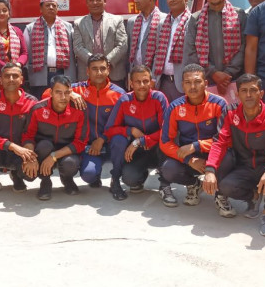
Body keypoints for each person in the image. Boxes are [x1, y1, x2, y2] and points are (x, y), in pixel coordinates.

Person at [202, 74, 265, 237]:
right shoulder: (230, 111)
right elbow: (219, 142)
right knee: (225, 187)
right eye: (244, 91)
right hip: (243, 166)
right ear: (238, 94)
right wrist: (210, 170)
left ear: (261, 93)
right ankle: (254, 196)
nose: (248, 95)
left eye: (253, 90)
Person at [158, 64, 230, 208]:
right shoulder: (175, 107)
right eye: (188, 82)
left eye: (197, 82)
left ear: (206, 83)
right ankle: (194, 185)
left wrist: (197, 145)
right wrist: (189, 160)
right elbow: (165, 142)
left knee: (229, 158)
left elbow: (226, 139)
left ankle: (221, 194)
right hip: (189, 155)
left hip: (214, 153)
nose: (192, 87)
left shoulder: (219, 104)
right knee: (168, 169)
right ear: (182, 85)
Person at [104, 65, 169, 200]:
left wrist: (141, 140)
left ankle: (165, 186)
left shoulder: (159, 98)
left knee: (166, 141)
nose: (142, 85)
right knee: (118, 141)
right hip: (135, 152)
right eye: (138, 82)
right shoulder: (124, 100)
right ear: (131, 83)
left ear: (151, 82)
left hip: (156, 149)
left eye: (145, 81)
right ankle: (116, 180)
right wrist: (130, 130)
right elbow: (109, 130)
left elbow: (166, 131)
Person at [21, 75, 88, 200]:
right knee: (43, 148)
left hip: (66, 150)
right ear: (51, 93)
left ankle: (67, 179)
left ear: (71, 93)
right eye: (58, 92)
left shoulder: (79, 110)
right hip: (43, 148)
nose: (63, 97)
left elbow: (80, 142)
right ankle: (45, 181)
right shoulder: (37, 109)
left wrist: (54, 156)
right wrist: (30, 158)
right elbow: (28, 136)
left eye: (67, 92)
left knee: (70, 164)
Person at [183, 0, 247, 104]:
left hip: (234, 80)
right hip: (207, 80)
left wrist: (227, 74)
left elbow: (244, 48)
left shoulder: (239, 15)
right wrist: (213, 73)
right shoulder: (196, 18)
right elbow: (191, 51)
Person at [0, 62, 41, 197]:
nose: (11, 79)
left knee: (31, 175)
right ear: (1, 80)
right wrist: (12, 146)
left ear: (22, 79)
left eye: (15, 76)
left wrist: (30, 155)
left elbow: (32, 133)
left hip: (22, 151)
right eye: (7, 76)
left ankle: (17, 176)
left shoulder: (32, 102)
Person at [65, 54, 125, 189]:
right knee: (88, 175)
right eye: (94, 69)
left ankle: (116, 177)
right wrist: (69, 93)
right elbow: (49, 93)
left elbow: (122, 124)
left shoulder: (119, 94)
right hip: (90, 146)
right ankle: (95, 174)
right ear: (87, 71)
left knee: (120, 140)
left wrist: (103, 139)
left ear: (108, 70)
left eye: (102, 68)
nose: (99, 72)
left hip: (111, 144)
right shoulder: (78, 89)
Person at [73, 0, 128, 88]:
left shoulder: (117, 20)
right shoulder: (79, 23)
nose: (95, 3)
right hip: (88, 75)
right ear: (87, 3)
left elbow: (122, 45)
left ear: (105, 1)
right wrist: (94, 64)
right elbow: (78, 47)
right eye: (91, 0)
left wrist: (106, 62)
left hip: (114, 73)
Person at [23, 0, 75, 97]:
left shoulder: (68, 27)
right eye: (47, 5)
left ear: (57, 9)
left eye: (54, 5)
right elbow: (25, 53)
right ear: (41, 9)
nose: (51, 7)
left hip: (62, 74)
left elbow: (74, 52)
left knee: (61, 102)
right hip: (39, 77)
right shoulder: (30, 28)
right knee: (41, 103)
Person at [153, 0, 192, 102]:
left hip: (183, 82)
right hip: (163, 81)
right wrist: (154, 77)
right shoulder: (162, 23)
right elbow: (157, 52)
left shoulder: (193, 21)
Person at [126, 0, 165, 77]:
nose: (135, 1)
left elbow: (162, 53)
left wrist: (154, 78)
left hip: (154, 75)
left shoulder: (164, 21)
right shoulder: (132, 22)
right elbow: (129, 51)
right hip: (135, 74)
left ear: (150, 0)